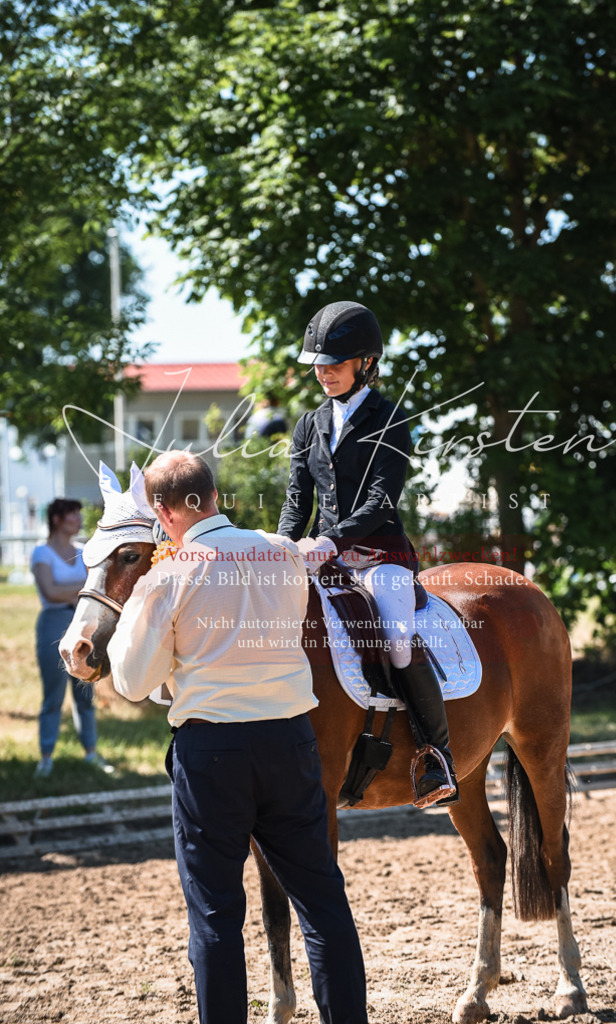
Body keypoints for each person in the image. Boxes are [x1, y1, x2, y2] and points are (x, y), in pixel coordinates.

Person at [107, 451, 368, 1024]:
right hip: (291, 742)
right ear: (215, 496)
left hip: (213, 754)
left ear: (161, 512)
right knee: (323, 902)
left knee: (217, 914)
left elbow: (130, 681)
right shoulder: (281, 554)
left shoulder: (168, 577)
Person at [277, 300, 459, 807]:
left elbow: (382, 500)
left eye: (334, 362)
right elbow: (297, 502)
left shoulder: (390, 417)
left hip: (381, 556)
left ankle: (434, 755)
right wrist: (283, 548)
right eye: (317, 362)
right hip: (320, 558)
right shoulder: (309, 425)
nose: (322, 371)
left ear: (366, 363)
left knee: (398, 640)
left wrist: (332, 541)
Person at [30, 498, 111, 777]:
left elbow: (98, 587)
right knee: (53, 696)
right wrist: (84, 588)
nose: (78, 519)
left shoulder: (83, 551)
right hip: (54, 622)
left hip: (83, 623)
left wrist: (76, 589)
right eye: (72, 514)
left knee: (85, 693)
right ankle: (46, 758)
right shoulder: (42, 552)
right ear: (57, 519)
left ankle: (91, 753)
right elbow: (50, 592)